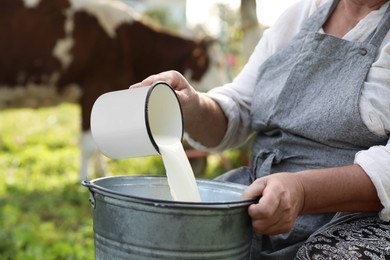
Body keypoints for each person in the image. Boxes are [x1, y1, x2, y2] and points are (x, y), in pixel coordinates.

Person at [131, 0, 390, 258]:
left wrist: (301, 190)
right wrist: (192, 106)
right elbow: (241, 105)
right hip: (260, 194)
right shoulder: (300, 15)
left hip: (355, 216)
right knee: (159, 232)